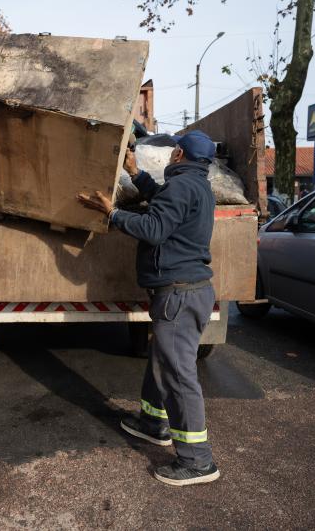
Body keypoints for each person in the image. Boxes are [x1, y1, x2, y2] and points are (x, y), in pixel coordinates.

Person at [77, 130, 219, 486]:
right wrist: (136, 172)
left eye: (173, 151)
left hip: (179, 294)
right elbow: (163, 204)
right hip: (187, 293)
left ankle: (198, 462)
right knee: (163, 359)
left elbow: (154, 227)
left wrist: (113, 214)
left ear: (179, 154)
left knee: (179, 375)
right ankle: (153, 422)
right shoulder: (196, 186)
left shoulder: (183, 187)